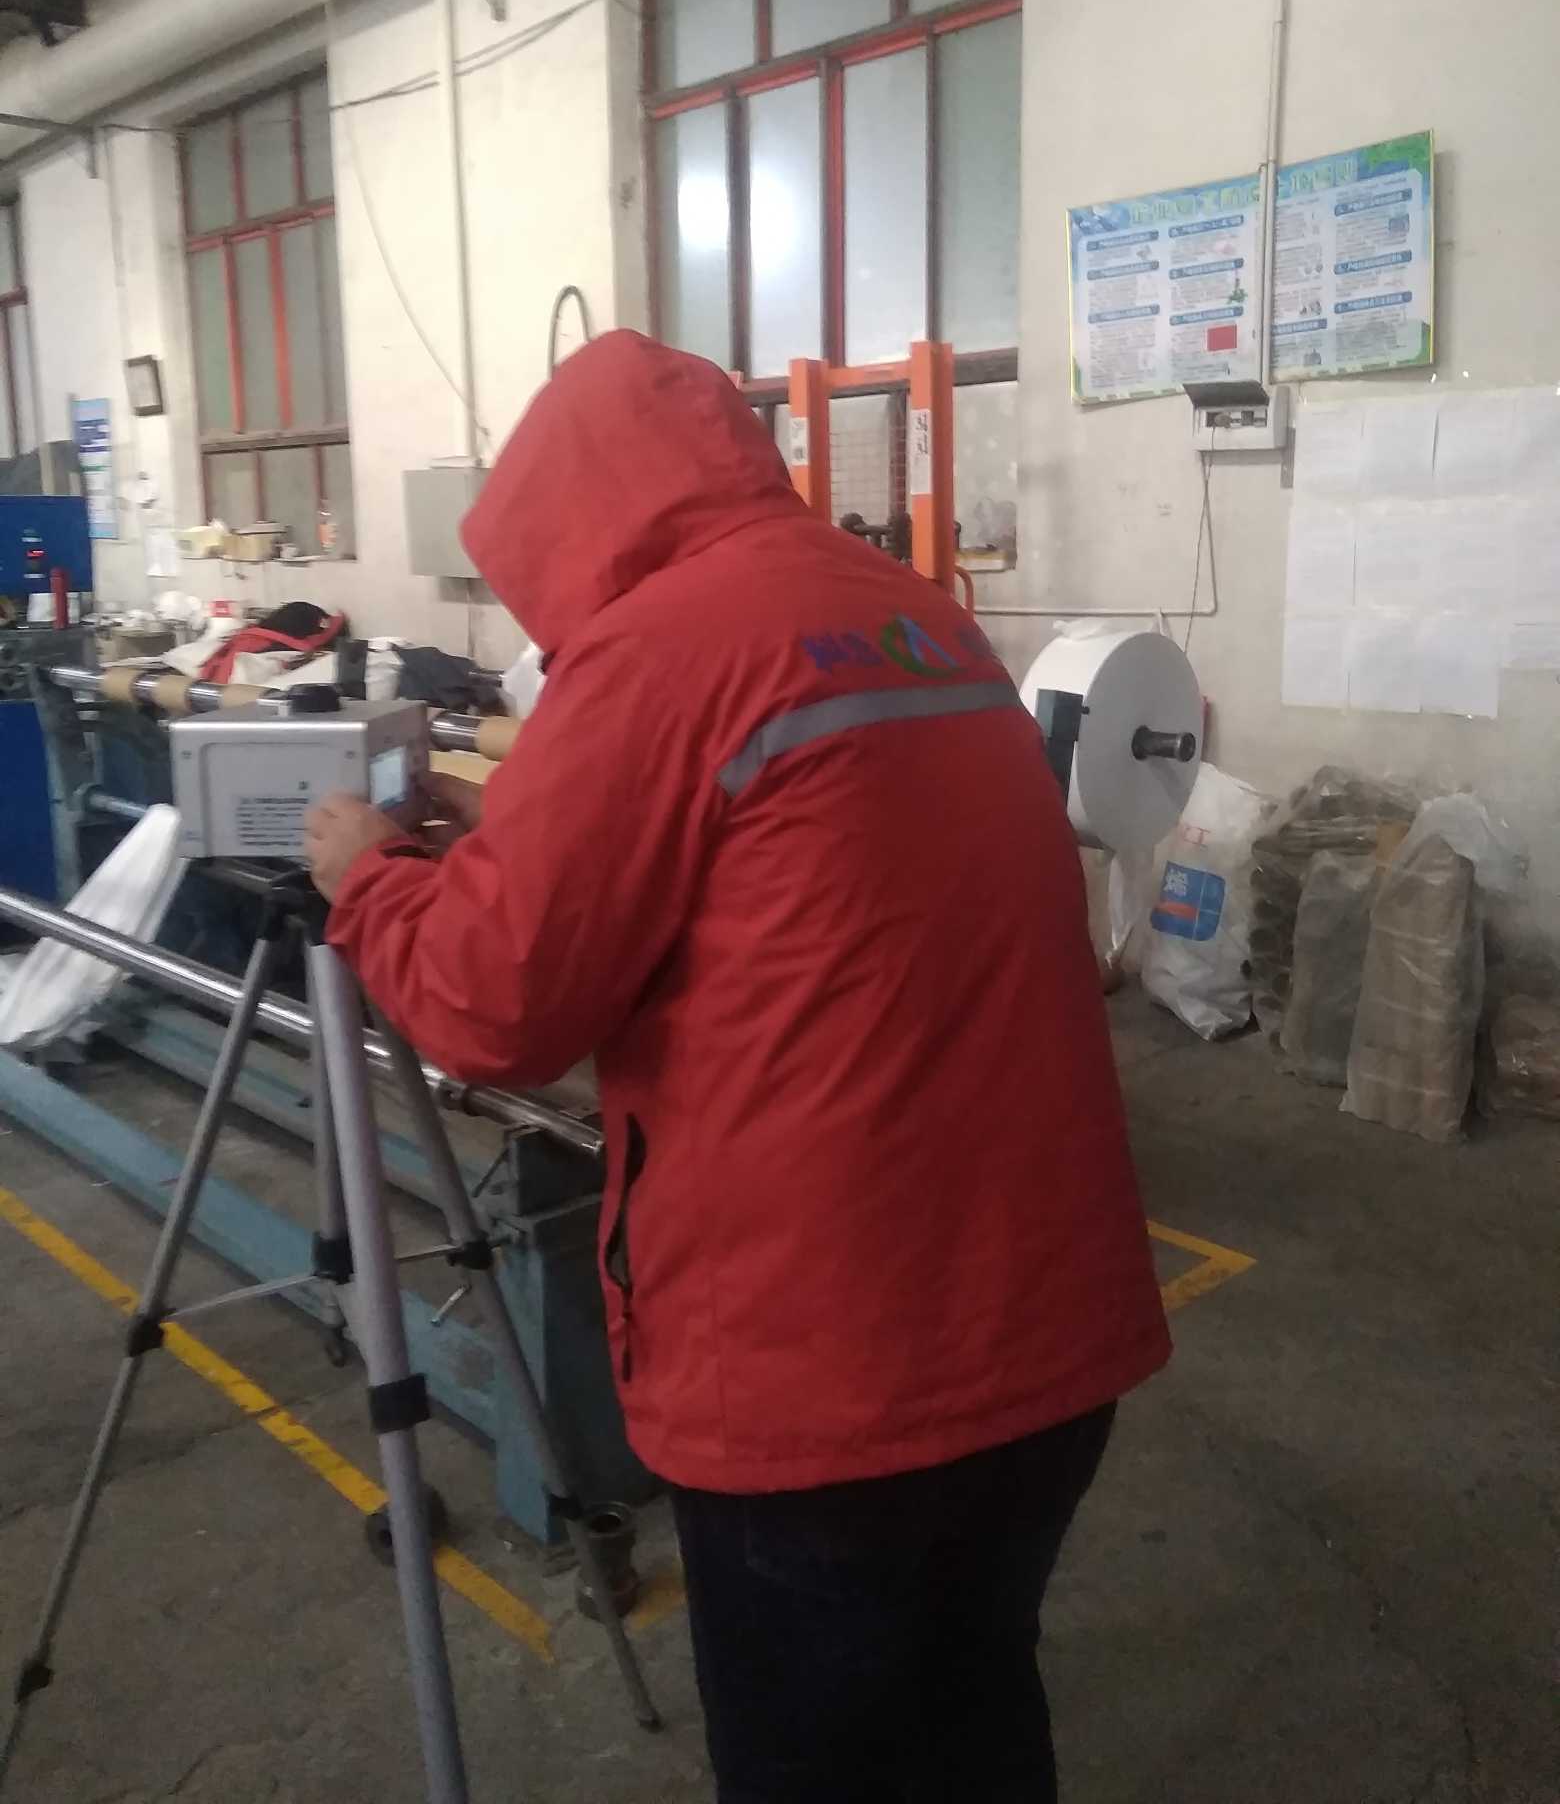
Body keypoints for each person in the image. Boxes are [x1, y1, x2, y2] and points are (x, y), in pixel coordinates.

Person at [305, 331, 1171, 1804]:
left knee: (820, 1759)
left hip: (831, 1383)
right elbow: (797, 861)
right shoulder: (917, 616)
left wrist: (372, 881)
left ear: (564, 513)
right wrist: (512, 836)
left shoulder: (654, 650)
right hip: (1043, 1333)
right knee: (971, 1710)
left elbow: (489, 1005)